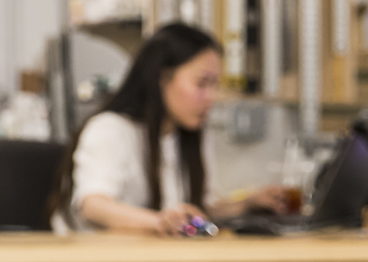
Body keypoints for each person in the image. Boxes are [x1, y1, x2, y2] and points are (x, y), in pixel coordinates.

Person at [51, 22, 290, 235]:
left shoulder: (185, 134)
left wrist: (248, 204)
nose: (211, 97)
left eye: (214, 85)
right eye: (202, 83)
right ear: (162, 78)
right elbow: (93, 206)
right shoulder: (111, 129)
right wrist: (159, 222)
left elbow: (197, 210)